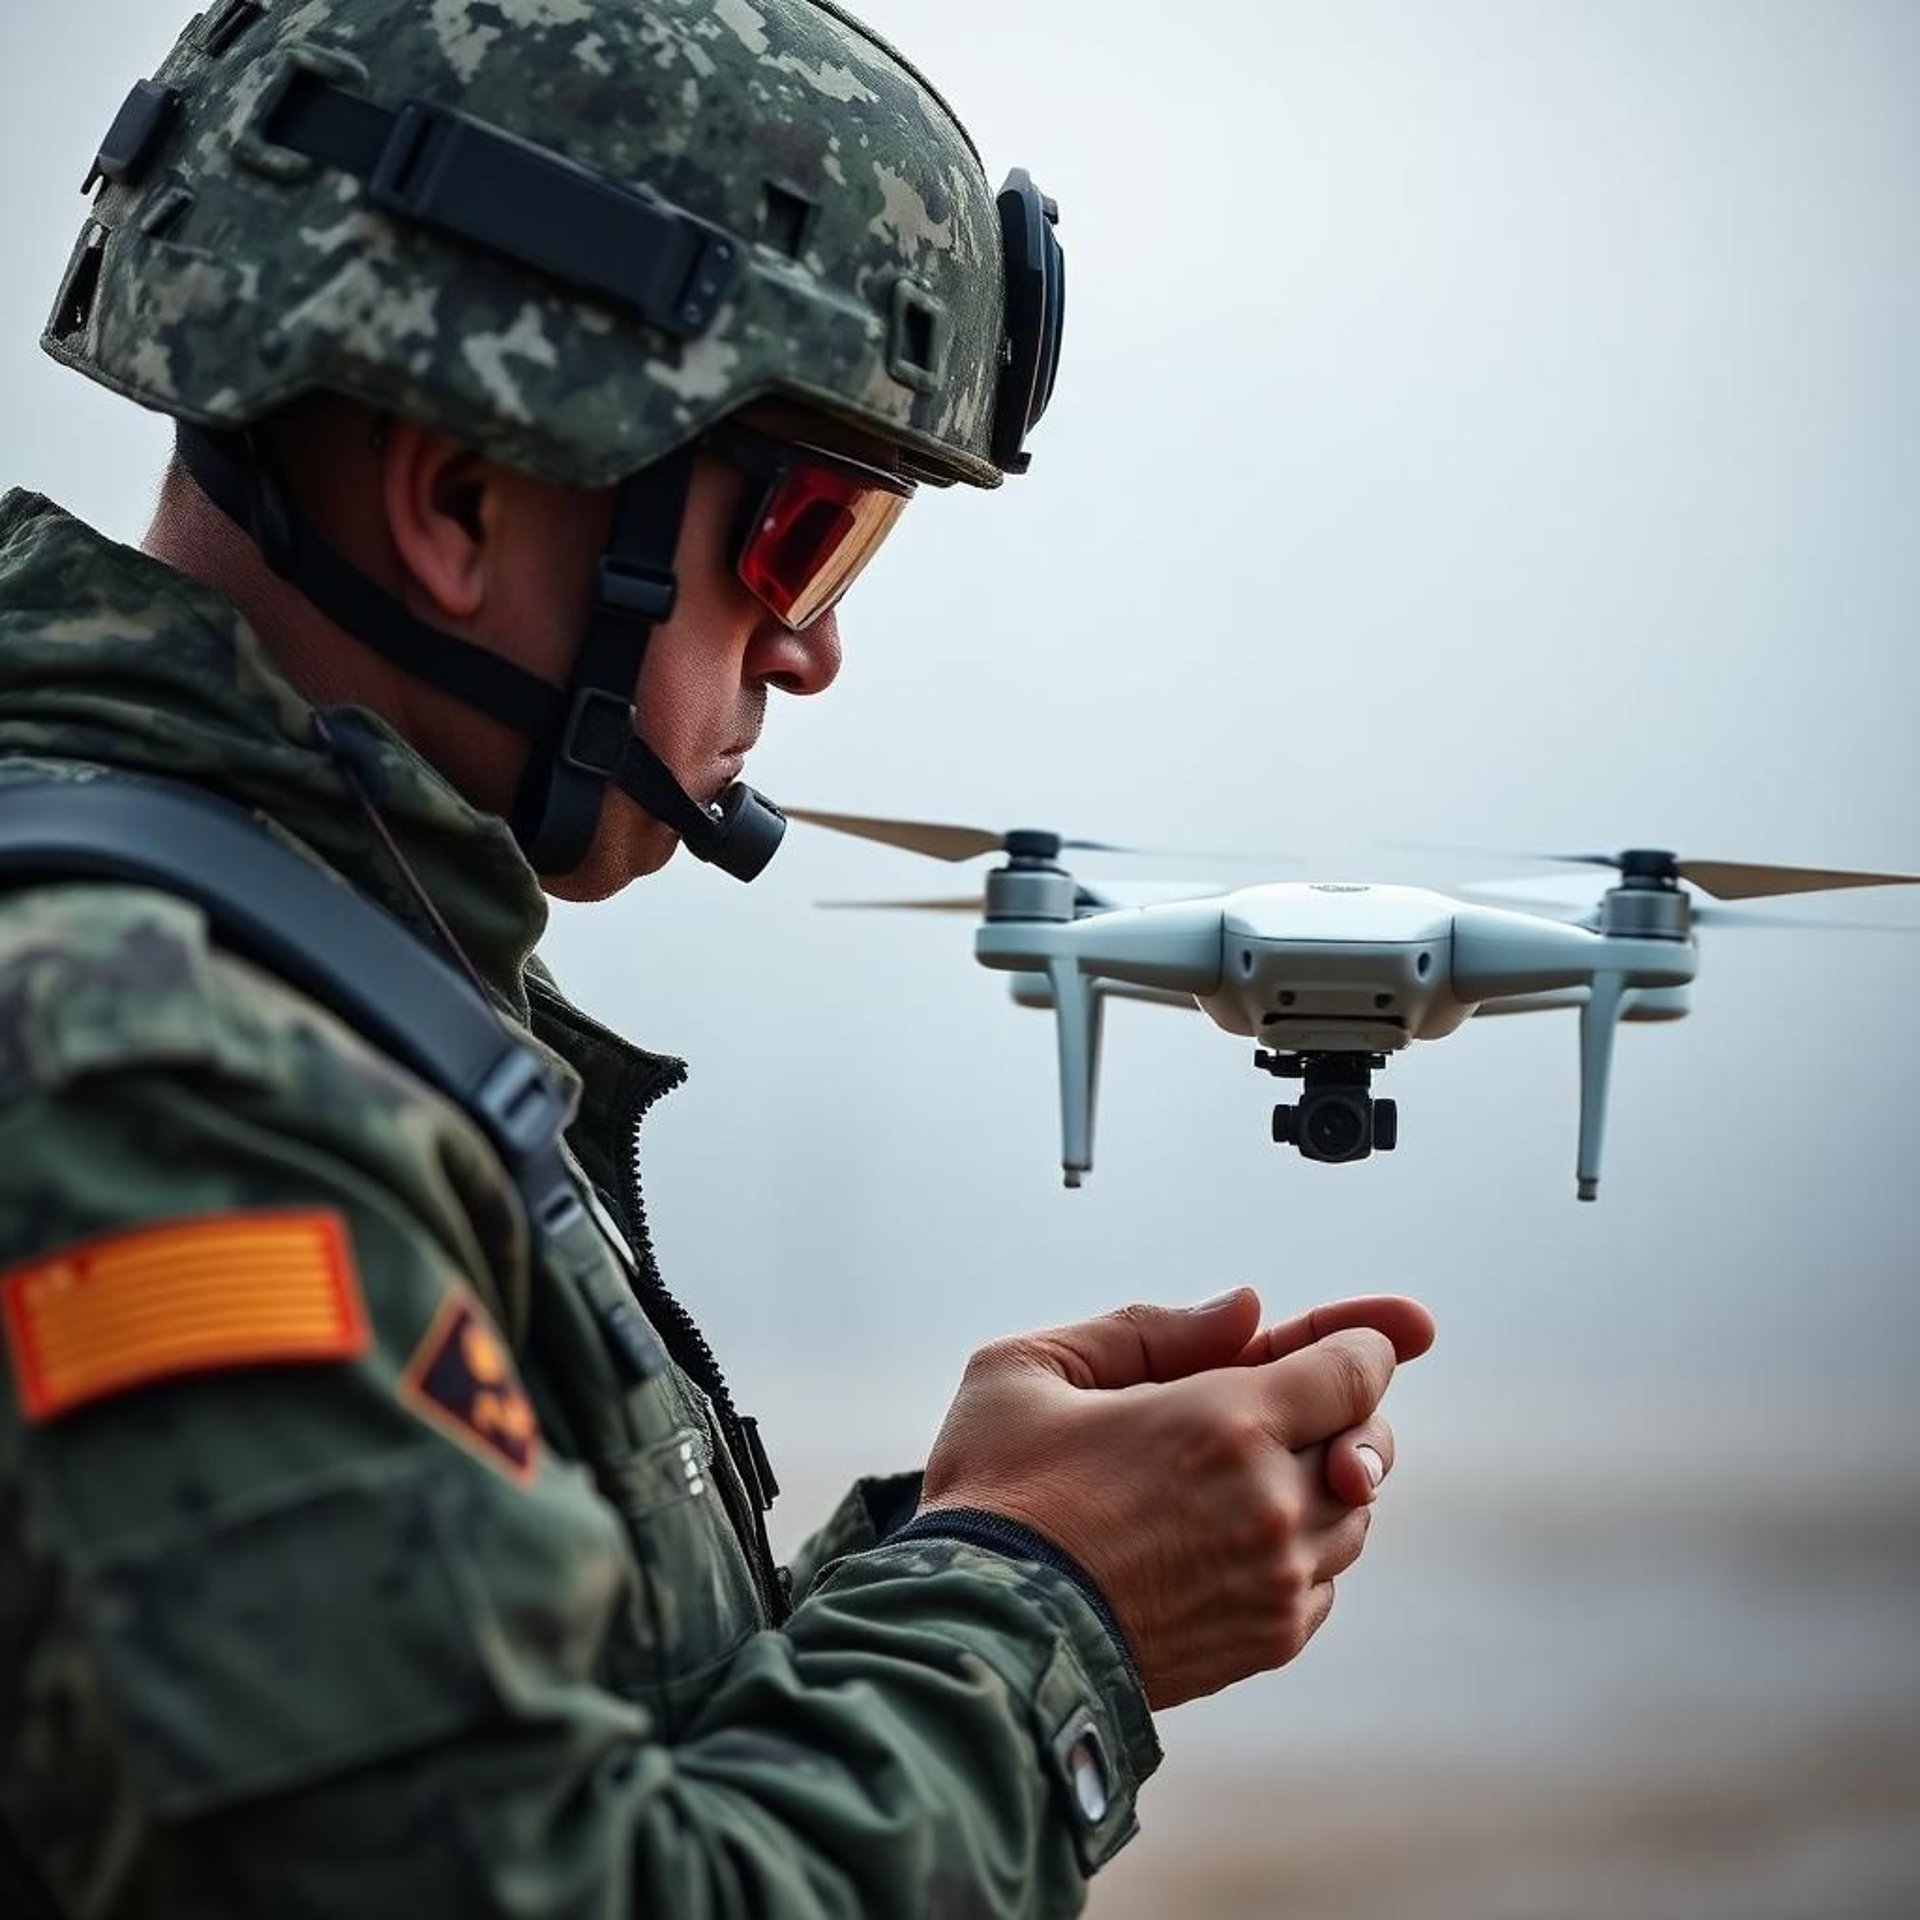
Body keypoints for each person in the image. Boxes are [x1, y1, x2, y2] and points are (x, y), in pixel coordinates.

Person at [0, 1, 1435, 1913]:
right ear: (462, 493)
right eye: (800, 537)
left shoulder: (300, 969)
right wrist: (1048, 1606)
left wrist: (962, 1538)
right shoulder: (147, 1079)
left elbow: (516, 1768)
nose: (814, 653)